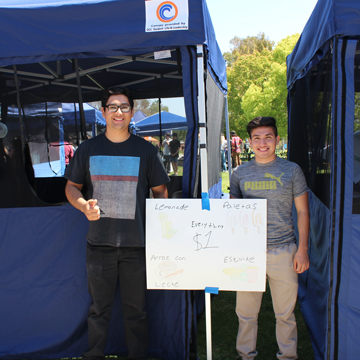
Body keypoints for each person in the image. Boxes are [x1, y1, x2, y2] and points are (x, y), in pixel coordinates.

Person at [64, 87, 169, 360]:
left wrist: (159, 226)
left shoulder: (146, 150)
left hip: (137, 245)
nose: (118, 112)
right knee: (99, 311)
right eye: (113, 107)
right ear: (104, 112)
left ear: (131, 112)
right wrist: (82, 205)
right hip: (98, 245)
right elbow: (71, 187)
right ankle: (94, 355)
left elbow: (161, 192)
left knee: (137, 312)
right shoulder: (88, 149)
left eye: (124, 107)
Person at [230, 116, 310, 360]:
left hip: (283, 249)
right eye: (257, 138)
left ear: (276, 139)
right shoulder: (239, 173)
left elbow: (303, 211)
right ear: (249, 142)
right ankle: (246, 355)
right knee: (245, 312)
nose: (262, 143)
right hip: (248, 252)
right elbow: (233, 213)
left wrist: (302, 249)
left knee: (285, 313)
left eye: (268, 137)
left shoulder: (291, 170)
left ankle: (287, 356)